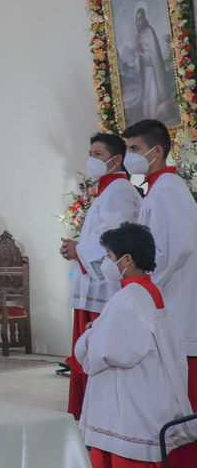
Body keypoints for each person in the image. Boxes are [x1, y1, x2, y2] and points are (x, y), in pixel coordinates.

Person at [75, 222, 195, 467]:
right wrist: (100, 329)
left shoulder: (128, 298)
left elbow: (103, 352)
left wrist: (89, 336)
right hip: (144, 401)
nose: (104, 262)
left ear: (126, 259)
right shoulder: (149, 291)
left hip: (127, 414)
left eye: (108, 256)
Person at [59, 133, 142, 419]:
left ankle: (94, 413)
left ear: (116, 159)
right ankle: (87, 413)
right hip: (94, 286)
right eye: (91, 153)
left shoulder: (119, 190)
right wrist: (78, 248)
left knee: (95, 350)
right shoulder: (108, 190)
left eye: (98, 155)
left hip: (104, 290)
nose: (92, 160)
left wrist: (78, 248)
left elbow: (113, 237)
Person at [122, 120, 197, 415]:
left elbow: (180, 245)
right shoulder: (157, 189)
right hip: (166, 295)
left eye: (134, 149)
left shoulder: (168, 188)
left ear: (156, 151)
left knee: (183, 390)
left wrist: (147, 284)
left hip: (175, 297)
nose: (130, 156)